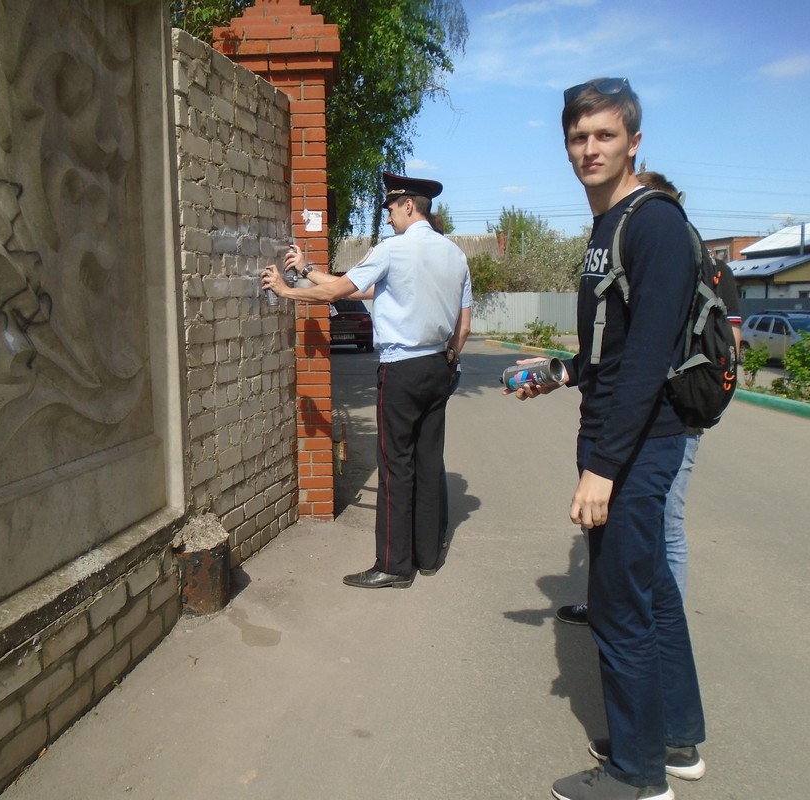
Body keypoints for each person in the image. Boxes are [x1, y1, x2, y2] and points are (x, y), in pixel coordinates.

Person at [512, 78, 706, 800]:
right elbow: (610, 352)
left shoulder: (650, 224)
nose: (588, 149)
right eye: (577, 137)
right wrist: (561, 372)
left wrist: (601, 467)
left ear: (632, 140)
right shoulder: (607, 227)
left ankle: (636, 773)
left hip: (637, 442)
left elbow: (649, 358)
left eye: (603, 135)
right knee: (651, 593)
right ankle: (672, 739)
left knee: (619, 607)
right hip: (624, 436)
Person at [262, 172, 471, 589]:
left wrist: (286, 291)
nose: (389, 217)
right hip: (439, 366)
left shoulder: (393, 249)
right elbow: (460, 324)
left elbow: (333, 295)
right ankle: (427, 556)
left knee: (395, 466)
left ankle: (394, 566)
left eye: (392, 208)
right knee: (429, 462)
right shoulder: (454, 255)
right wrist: (308, 270)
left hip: (402, 370)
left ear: (408, 205)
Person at [556, 170, 742, 623]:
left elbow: (722, 348)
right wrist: (565, 371)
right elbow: (614, 349)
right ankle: (620, 607)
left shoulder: (703, 263)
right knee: (630, 523)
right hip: (642, 405)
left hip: (676, 406)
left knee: (665, 523)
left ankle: (663, 618)